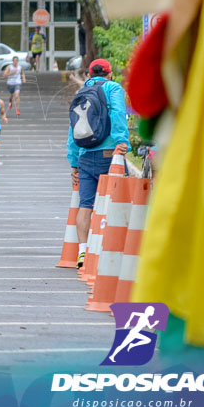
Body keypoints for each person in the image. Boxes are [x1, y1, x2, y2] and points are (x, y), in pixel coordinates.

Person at [66, 58, 129, 269]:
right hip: (110, 154)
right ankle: (108, 251)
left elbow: (72, 129)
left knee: (85, 205)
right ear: (110, 74)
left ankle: (83, 252)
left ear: (89, 75)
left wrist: (73, 162)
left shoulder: (80, 93)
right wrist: (122, 142)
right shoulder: (113, 88)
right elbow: (118, 113)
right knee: (116, 202)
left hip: (84, 156)